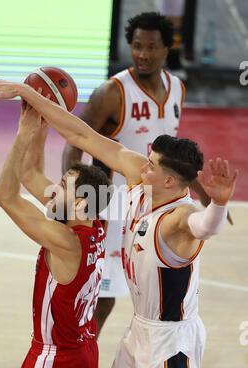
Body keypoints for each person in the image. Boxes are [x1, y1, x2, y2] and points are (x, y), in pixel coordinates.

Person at [0, 76, 238, 368]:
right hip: (137, 330)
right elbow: (81, 135)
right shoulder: (134, 186)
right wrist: (30, 96)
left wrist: (219, 205)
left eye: (151, 164)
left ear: (169, 180)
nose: (142, 164)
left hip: (170, 339)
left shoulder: (179, 219)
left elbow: (206, 226)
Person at [62, 12, 210, 338]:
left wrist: (203, 190)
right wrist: (71, 201)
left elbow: (174, 154)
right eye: (136, 46)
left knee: (164, 293)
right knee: (102, 298)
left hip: (159, 208)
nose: (143, 54)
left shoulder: (177, 90)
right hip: (115, 207)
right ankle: (80, 359)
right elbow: (75, 143)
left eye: (151, 47)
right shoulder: (111, 92)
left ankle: (171, 365)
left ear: (166, 48)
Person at [0, 98, 110, 368]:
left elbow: (5, 196)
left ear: (80, 203)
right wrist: (41, 123)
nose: (53, 190)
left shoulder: (66, 241)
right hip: (84, 352)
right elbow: (30, 173)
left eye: (63, 186)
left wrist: (23, 134)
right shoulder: (96, 222)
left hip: (56, 360)